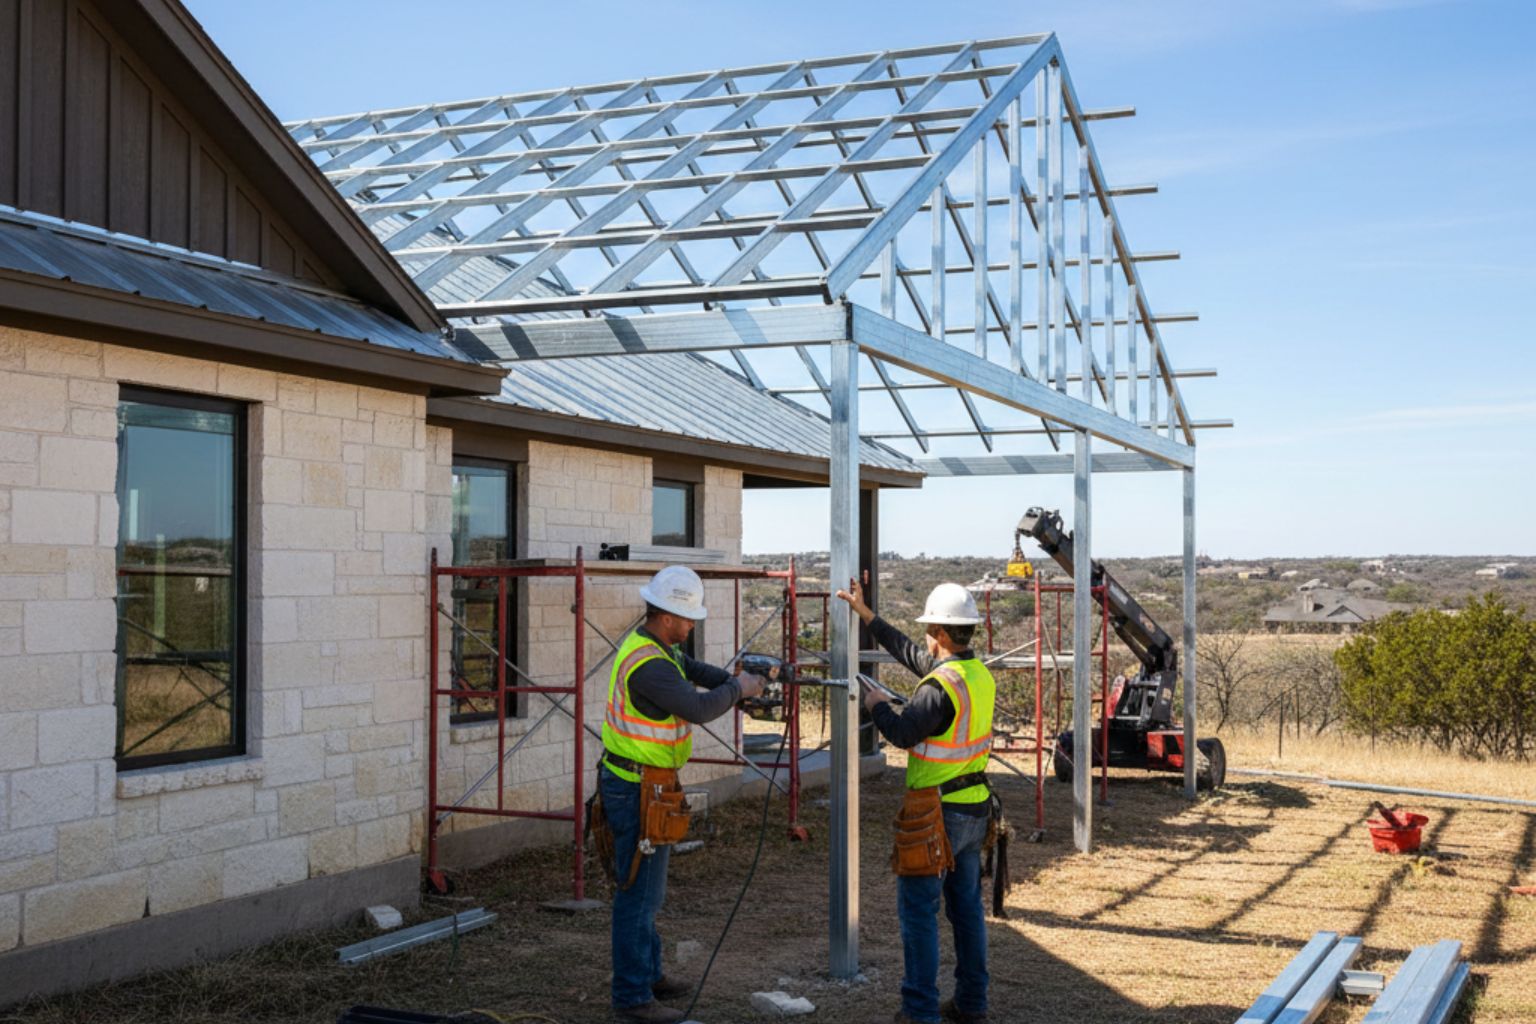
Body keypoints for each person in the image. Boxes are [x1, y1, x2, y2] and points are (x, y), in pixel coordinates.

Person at [599, 564, 766, 1024]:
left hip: (647, 783)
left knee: (647, 892)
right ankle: (632, 998)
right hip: (635, 787)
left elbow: (694, 672)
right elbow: (695, 707)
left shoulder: (657, 648)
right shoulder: (650, 664)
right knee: (638, 893)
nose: (693, 625)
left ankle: (648, 976)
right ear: (669, 615)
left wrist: (735, 683)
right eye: (689, 618)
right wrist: (739, 688)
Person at [836, 578, 994, 1024]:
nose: (925, 636)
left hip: (936, 813)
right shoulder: (974, 674)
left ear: (942, 634)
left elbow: (904, 734)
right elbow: (909, 653)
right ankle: (971, 1004)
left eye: (929, 629)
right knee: (966, 912)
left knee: (919, 915)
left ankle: (920, 1011)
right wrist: (867, 615)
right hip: (974, 805)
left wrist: (876, 704)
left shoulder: (938, 688)